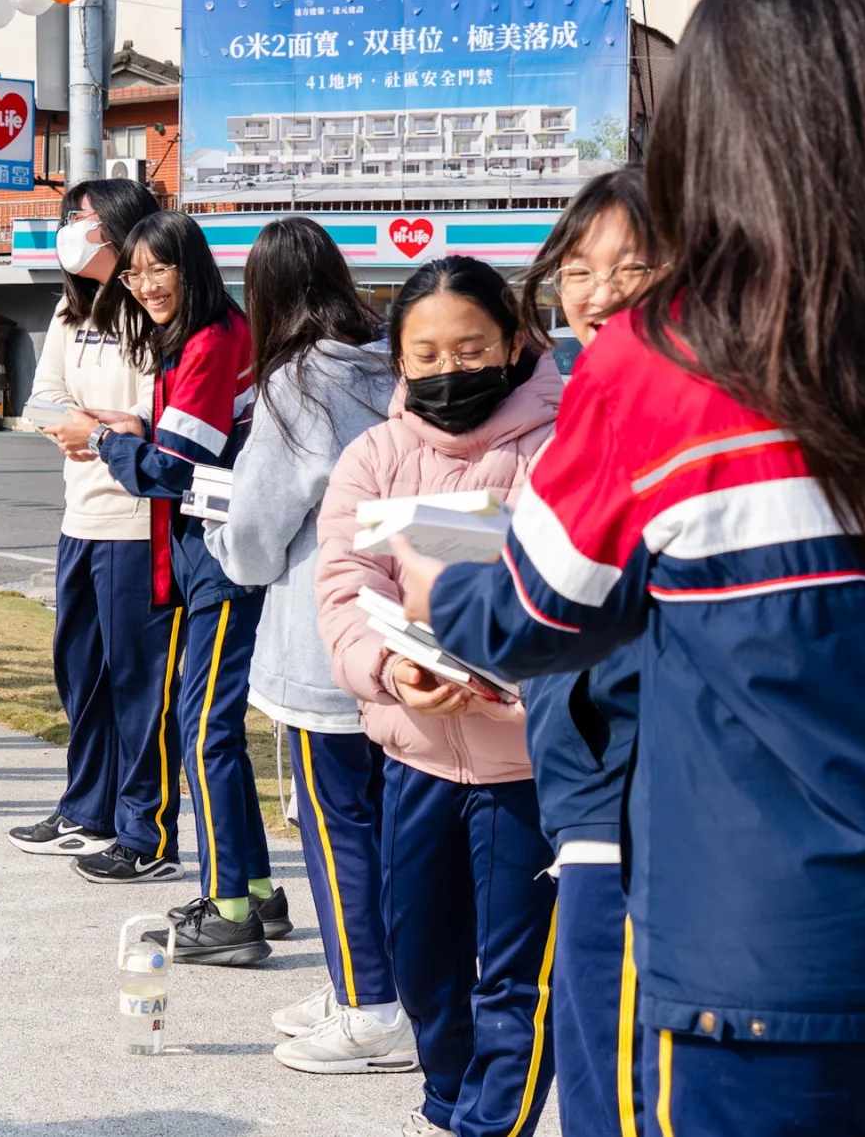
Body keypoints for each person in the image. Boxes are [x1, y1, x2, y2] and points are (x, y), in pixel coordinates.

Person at [390, 0, 865, 1137]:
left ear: (708, 135)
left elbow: (538, 615)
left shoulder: (665, 362)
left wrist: (441, 586)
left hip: (767, 958)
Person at [313, 256, 564, 1136]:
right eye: (426, 355)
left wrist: (503, 672)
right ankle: (445, 1107)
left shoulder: (566, 448)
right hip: (415, 754)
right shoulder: (375, 456)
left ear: (516, 342)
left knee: (517, 978)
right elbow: (347, 585)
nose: (449, 369)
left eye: (471, 347)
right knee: (423, 962)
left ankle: (491, 1125)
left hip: (526, 768)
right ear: (400, 361)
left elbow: (573, 593)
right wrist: (391, 671)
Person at [48, 209, 282, 965]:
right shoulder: (199, 335)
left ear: (194, 269)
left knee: (204, 730)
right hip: (204, 556)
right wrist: (132, 426)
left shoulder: (213, 339)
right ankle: (255, 890)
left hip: (217, 558)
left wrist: (108, 440)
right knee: (211, 732)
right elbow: (182, 440)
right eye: (136, 271)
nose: (145, 285)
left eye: (160, 270)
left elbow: (174, 467)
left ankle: (230, 910)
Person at [202, 217, 403, 1070]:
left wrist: (216, 533)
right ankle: (371, 980)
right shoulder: (391, 364)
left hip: (322, 638)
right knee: (391, 827)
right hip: (400, 627)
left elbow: (252, 538)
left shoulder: (296, 384)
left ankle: (370, 1007)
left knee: (333, 829)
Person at [511, 169, 656, 1137]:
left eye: (632, 266)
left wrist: (488, 617)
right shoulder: (583, 406)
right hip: (580, 785)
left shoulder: (672, 418)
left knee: (617, 1085)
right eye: (576, 267)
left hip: (635, 806)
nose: (595, 291)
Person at [9, 178, 189, 882]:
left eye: (83, 218)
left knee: (139, 685)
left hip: (138, 523)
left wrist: (111, 425)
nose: (71, 229)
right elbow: (40, 398)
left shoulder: (158, 309)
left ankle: (146, 831)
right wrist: (75, 423)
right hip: (80, 513)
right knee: (80, 673)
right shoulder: (68, 309)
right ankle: (87, 810)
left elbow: (159, 417)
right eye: (68, 217)